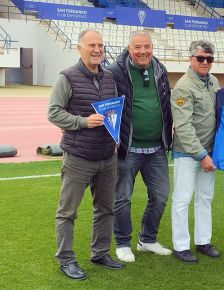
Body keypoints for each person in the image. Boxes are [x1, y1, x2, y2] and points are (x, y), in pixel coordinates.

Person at [48, 29, 124, 280]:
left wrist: (116, 137)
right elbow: (54, 113)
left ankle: (100, 252)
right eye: (91, 45)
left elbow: (113, 112)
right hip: (79, 157)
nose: (97, 49)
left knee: (106, 208)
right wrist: (82, 122)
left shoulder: (109, 77)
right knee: (68, 212)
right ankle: (66, 259)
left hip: (106, 156)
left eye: (100, 45)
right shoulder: (67, 77)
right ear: (79, 48)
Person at [108, 31, 173, 263]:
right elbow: (107, 106)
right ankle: (123, 243)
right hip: (128, 148)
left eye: (147, 46)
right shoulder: (115, 72)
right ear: (129, 48)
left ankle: (147, 239)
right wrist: (113, 139)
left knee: (160, 196)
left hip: (157, 148)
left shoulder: (160, 69)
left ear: (152, 47)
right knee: (122, 198)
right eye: (138, 47)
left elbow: (165, 103)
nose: (143, 51)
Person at [170, 40, 220, 263]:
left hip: (209, 151)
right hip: (188, 153)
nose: (205, 62)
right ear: (191, 59)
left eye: (209, 59)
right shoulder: (183, 87)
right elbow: (183, 126)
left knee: (205, 198)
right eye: (200, 58)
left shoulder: (214, 81)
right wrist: (201, 155)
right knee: (182, 199)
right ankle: (181, 246)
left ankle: (203, 241)